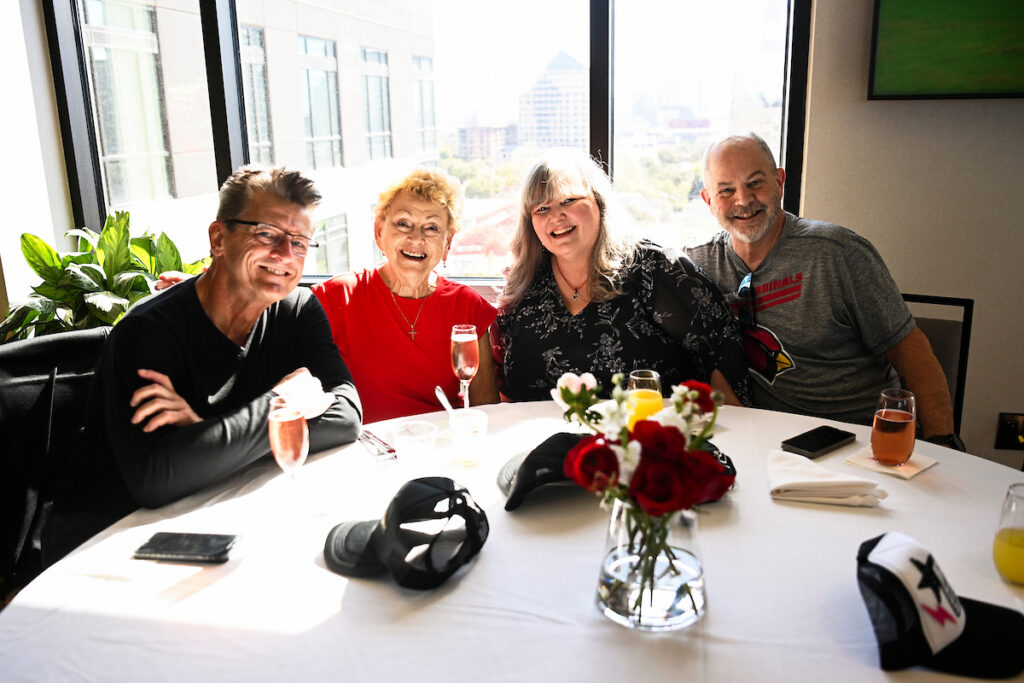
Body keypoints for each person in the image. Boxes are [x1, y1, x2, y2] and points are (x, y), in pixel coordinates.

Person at [80, 165, 363, 513]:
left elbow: (347, 417)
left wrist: (205, 434)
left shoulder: (297, 310)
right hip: (116, 532)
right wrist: (280, 404)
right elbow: (154, 480)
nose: (286, 255)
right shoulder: (147, 332)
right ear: (218, 239)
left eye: (300, 243)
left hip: (223, 505)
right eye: (267, 234)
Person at [689, 133, 958, 446]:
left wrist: (945, 443)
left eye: (755, 183)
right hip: (767, 442)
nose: (744, 200)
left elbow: (911, 351)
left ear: (779, 181)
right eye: (726, 190)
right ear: (709, 200)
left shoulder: (838, 253)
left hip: (856, 441)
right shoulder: (698, 265)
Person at [495, 149, 750, 405]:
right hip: (545, 440)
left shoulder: (655, 268)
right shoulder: (524, 288)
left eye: (569, 200)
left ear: (599, 203)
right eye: (542, 208)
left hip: (647, 436)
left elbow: (721, 349)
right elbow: (510, 393)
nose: (555, 216)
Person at [313, 169, 499, 423]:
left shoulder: (468, 306)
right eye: (403, 223)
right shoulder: (335, 298)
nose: (416, 237)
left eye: (431, 228)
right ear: (379, 231)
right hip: (363, 452)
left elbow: (486, 411)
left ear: (447, 242)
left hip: (440, 450)